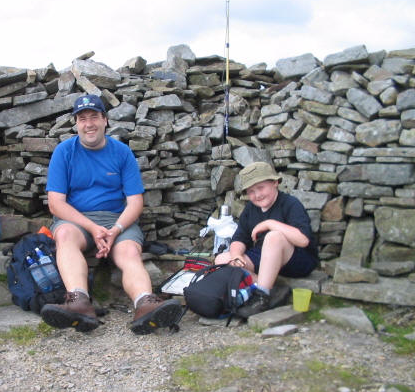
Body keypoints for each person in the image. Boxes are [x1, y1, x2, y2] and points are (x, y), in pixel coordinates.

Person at [40, 94, 182, 334]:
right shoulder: (64, 152)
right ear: (76, 123)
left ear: (105, 120)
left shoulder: (122, 153)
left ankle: (145, 304)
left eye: (94, 117)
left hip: (118, 220)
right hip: (77, 220)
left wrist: (114, 230)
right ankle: (79, 302)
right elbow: (56, 204)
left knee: (128, 251)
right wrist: (94, 229)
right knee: (63, 234)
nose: (89, 124)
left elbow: (135, 203)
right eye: (82, 119)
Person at [214, 161, 318, 317]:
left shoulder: (290, 204)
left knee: (274, 237)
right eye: (251, 191)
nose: (257, 195)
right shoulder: (250, 209)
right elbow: (239, 239)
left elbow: (303, 240)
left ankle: (261, 297)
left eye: (261, 188)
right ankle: (272, 290)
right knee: (222, 259)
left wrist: (270, 224)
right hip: (263, 256)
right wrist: (236, 255)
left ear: (275, 183)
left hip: (296, 259)